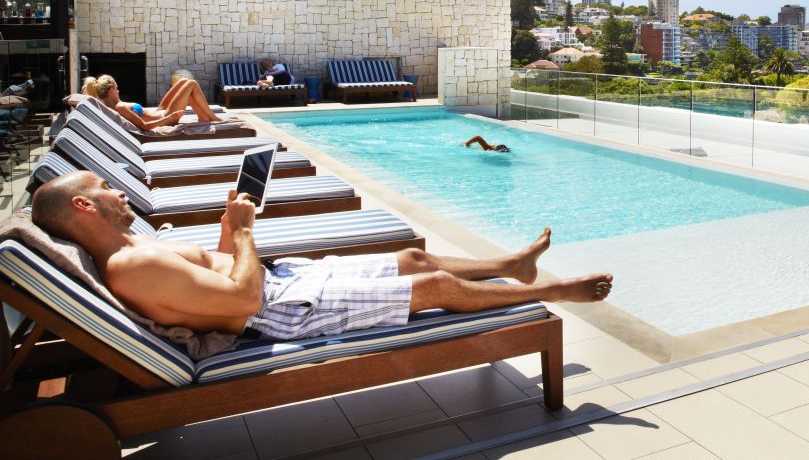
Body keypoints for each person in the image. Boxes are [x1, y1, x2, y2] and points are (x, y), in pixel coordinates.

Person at [31, 171, 613, 340]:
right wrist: (243, 233)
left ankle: (511, 267)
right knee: (428, 288)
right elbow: (241, 297)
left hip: (279, 283)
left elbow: (204, 278)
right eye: (104, 189)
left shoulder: (135, 249)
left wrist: (227, 227)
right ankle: (550, 292)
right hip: (279, 311)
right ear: (83, 208)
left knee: (412, 259)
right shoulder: (130, 264)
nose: (117, 191)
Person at [83, 73, 224, 130]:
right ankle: (212, 118)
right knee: (191, 84)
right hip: (166, 117)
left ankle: (203, 117)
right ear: (112, 90)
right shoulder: (119, 107)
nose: (119, 90)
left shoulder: (112, 106)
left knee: (183, 81)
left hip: (159, 112)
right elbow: (144, 126)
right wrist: (170, 117)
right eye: (117, 88)